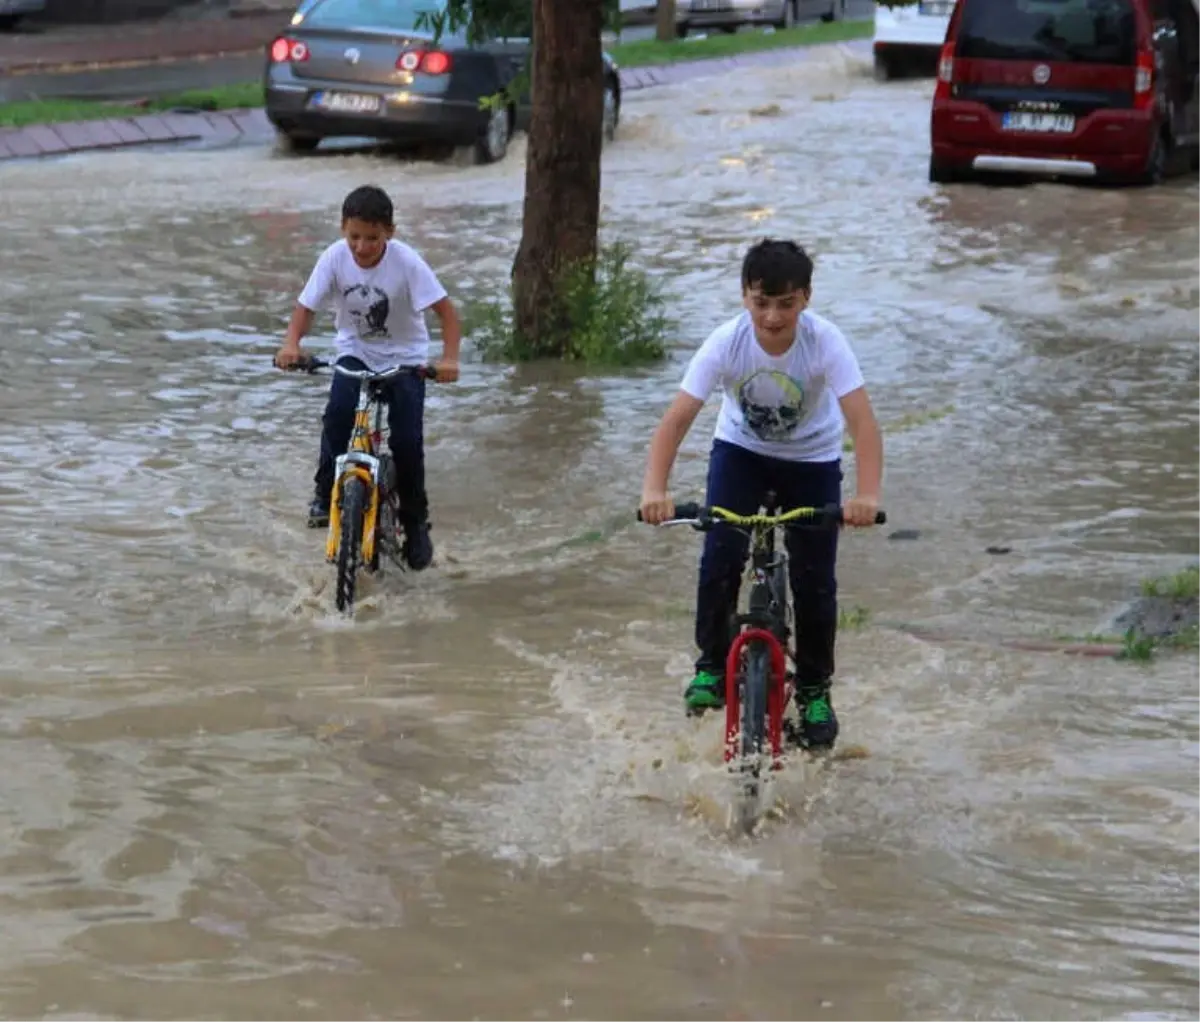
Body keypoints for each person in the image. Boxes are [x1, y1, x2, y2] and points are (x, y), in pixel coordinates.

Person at [639, 238, 884, 751]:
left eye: (786, 304)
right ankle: (709, 666)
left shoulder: (825, 342)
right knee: (720, 555)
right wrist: (654, 490)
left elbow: (861, 423)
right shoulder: (726, 342)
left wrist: (866, 496)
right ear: (745, 297)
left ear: (806, 299)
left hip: (813, 459)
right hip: (741, 452)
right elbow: (677, 419)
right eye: (761, 302)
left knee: (815, 579)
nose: (773, 316)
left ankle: (816, 689)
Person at [275, 184, 461, 571]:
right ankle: (325, 491)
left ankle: (415, 524)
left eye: (372, 238)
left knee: (408, 440)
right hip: (355, 352)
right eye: (354, 236)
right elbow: (305, 308)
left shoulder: (408, 262)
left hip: (406, 359)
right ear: (343, 229)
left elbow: (447, 314)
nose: (362, 247)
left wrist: (449, 359)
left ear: (389, 233)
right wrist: (291, 344)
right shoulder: (333, 258)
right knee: (339, 414)